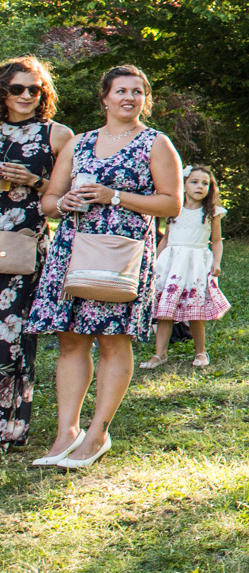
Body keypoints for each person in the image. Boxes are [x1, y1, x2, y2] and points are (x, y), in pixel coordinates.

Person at [29, 64, 183, 469]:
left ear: (145, 100)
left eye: (137, 91)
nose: (129, 97)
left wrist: (114, 195)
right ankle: (67, 432)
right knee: (70, 339)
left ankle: (97, 433)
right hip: (74, 249)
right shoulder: (79, 143)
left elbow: (172, 203)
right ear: (105, 98)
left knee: (113, 339)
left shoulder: (156, 143)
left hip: (121, 253)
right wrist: (65, 204)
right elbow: (48, 201)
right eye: (121, 91)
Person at [0, 56, 71, 448]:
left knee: (13, 335)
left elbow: (68, 197)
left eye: (34, 89)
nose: (26, 95)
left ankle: (10, 425)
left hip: (22, 246)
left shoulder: (57, 135)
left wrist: (35, 180)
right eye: (17, 88)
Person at [141, 166, 230, 370]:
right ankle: (159, 353)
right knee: (165, 310)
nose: (200, 186)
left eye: (205, 183)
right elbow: (166, 239)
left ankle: (200, 351)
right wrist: (154, 260)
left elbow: (216, 241)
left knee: (194, 311)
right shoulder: (174, 210)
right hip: (171, 263)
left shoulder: (211, 213)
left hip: (195, 263)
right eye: (194, 182)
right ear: (183, 185)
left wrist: (216, 262)